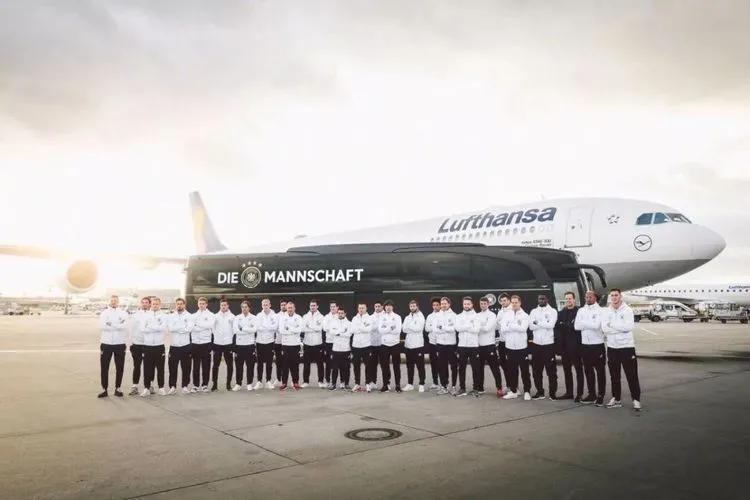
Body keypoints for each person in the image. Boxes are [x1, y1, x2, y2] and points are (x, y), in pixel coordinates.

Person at [602, 289, 642, 410]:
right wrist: (618, 328)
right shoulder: (607, 311)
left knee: (632, 375)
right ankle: (616, 399)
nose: (614, 297)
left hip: (626, 347)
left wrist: (612, 325)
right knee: (614, 376)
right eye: (612, 295)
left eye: (616, 295)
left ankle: (636, 400)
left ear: (620, 297)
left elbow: (628, 327)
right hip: (612, 348)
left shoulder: (627, 310)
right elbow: (604, 328)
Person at [574, 290, 606, 406]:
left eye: (590, 297)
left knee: (600, 372)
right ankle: (592, 394)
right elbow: (576, 326)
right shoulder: (581, 310)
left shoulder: (601, 310)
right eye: (586, 297)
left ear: (595, 298)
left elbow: (597, 326)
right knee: (588, 371)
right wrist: (589, 323)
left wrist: (584, 323)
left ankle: (601, 395)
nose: (588, 299)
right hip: (585, 345)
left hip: (597, 345)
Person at [501, 295, 532, 400]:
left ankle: (527, 391)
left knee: (524, 371)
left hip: (522, 347)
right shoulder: (507, 315)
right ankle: (514, 391)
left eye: (516, 302)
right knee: (512, 370)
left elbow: (523, 328)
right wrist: (515, 326)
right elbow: (503, 328)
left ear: (520, 303)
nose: (514, 304)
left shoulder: (525, 315)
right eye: (512, 302)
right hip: (510, 347)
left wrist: (510, 325)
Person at [98, 295, 128, 398]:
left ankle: (118, 388)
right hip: (106, 343)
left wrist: (110, 324)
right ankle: (104, 389)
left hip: (119, 343)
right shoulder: (104, 313)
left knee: (120, 367)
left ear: (118, 302)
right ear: (109, 302)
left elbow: (124, 326)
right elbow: (102, 326)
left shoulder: (123, 313)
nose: (113, 302)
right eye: (112, 300)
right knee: (104, 367)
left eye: (115, 300)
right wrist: (117, 325)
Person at [529, 294, 558, 400]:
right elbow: (531, 327)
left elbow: (551, 325)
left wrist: (537, 322)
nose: (541, 300)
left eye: (543, 299)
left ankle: (552, 393)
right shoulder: (533, 311)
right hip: (536, 345)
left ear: (547, 299)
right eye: (539, 299)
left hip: (548, 345)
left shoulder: (552, 311)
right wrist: (544, 323)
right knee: (536, 371)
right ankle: (540, 392)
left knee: (551, 371)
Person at [556, 291, 583, 401]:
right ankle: (569, 393)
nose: (568, 300)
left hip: (576, 346)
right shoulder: (562, 312)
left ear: (574, 299)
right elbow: (558, 326)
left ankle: (579, 394)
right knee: (567, 371)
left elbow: (576, 327)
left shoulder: (579, 311)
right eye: (566, 299)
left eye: (570, 298)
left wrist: (565, 325)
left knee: (578, 370)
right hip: (564, 346)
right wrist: (568, 325)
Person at [477, 296, 504, 398]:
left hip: (489, 346)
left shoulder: (492, 315)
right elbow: (476, 329)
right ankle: (480, 388)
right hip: (479, 346)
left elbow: (487, 328)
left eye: (485, 304)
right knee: (479, 369)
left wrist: (478, 326)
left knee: (495, 368)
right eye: (481, 304)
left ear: (488, 304)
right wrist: (481, 326)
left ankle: (499, 388)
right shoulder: (477, 315)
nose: (483, 305)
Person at [455, 296, 481, 397]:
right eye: (465, 304)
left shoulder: (476, 316)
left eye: (468, 304)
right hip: (462, 346)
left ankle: (476, 389)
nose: (466, 306)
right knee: (461, 368)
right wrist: (469, 326)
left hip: (473, 346)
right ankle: (462, 388)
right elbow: (457, 328)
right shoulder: (459, 316)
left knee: (475, 368)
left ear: (472, 304)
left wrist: (464, 327)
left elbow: (476, 330)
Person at [166, 298, 193, 395]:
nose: (179, 305)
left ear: (184, 305)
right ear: (175, 305)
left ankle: (185, 386)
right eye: (178, 304)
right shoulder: (171, 316)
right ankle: (172, 387)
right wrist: (182, 327)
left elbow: (189, 329)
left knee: (186, 368)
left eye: (181, 304)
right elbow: (170, 328)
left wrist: (177, 328)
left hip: (186, 346)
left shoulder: (189, 316)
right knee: (172, 368)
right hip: (174, 346)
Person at [141, 297, 166, 397]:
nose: (155, 305)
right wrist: (156, 327)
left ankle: (161, 388)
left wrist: (150, 326)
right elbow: (142, 329)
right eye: (153, 304)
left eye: (157, 304)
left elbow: (162, 328)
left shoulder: (164, 316)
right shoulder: (145, 315)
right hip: (147, 346)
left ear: (160, 305)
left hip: (159, 346)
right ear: (151, 304)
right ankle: (146, 388)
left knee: (160, 368)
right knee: (147, 368)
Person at [434, 296, 458, 395]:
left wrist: (442, 327)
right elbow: (435, 329)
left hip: (451, 344)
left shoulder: (454, 315)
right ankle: (444, 386)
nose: (443, 305)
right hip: (440, 344)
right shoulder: (437, 315)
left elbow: (454, 328)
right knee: (442, 366)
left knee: (453, 366)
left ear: (449, 304)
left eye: (445, 303)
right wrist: (446, 328)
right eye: (442, 303)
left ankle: (453, 386)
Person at [378, 300, 403, 393]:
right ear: (384, 307)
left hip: (395, 344)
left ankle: (398, 385)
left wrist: (386, 328)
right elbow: (380, 330)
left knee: (396, 366)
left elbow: (398, 330)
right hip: (384, 344)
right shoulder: (381, 317)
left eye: (390, 306)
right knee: (385, 366)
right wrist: (390, 327)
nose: (388, 307)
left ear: (392, 307)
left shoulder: (397, 317)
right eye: (386, 306)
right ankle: (385, 384)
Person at [191, 296, 215, 393]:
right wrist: (203, 326)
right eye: (200, 303)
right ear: (198, 304)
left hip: (206, 343)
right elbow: (191, 327)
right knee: (196, 367)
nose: (201, 305)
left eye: (203, 304)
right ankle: (195, 385)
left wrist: (197, 325)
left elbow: (210, 325)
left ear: (206, 304)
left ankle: (205, 385)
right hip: (195, 343)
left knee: (206, 366)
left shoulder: (211, 315)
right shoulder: (193, 316)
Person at [232, 300, 257, 391]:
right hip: (239, 345)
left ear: (249, 308)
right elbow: (235, 330)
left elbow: (254, 330)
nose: (244, 308)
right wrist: (247, 329)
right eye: (242, 307)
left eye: (246, 307)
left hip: (250, 345)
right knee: (239, 366)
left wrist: (242, 328)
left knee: (250, 366)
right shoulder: (237, 317)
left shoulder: (254, 317)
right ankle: (238, 384)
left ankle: (249, 384)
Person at [128, 296, 151, 395]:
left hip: (148, 344)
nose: (144, 304)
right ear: (141, 304)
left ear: (149, 304)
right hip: (137, 344)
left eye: (146, 302)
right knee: (137, 366)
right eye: (143, 302)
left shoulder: (152, 315)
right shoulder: (135, 315)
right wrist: (132, 342)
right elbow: (131, 329)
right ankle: (135, 386)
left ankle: (149, 386)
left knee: (149, 367)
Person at [278, 300, 303, 390]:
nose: (290, 309)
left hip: (295, 344)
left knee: (295, 365)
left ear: (294, 308)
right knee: (285, 365)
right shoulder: (282, 318)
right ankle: (284, 383)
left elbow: (299, 330)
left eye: (291, 308)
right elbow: (281, 331)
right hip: (285, 344)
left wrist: (288, 328)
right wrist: (293, 330)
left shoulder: (299, 317)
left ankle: (295, 382)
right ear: (286, 308)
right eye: (288, 308)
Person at [402, 299, 426, 393]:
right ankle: (410, 384)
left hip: (418, 345)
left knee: (420, 366)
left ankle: (421, 384)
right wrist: (412, 327)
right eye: (411, 306)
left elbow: (419, 328)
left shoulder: (421, 316)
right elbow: (403, 329)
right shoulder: (407, 317)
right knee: (409, 366)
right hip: (408, 345)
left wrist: (409, 327)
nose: (412, 308)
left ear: (417, 306)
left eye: (414, 306)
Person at [212, 298, 235, 391]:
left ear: (228, 306)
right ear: (220, 306)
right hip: (217, 344)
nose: (223, 306)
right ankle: (214, 385)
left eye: (225, 305)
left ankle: (228, 384)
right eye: (222, 305)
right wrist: (218, 336)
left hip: (228, 344)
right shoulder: (215, 316)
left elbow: (234, 330)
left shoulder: (232, 317)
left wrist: (228, 338)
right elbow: (212, 329)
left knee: (230, 365)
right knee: (215, 365)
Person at [350, 302, 374, 392]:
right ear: (358, 309)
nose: (361, 309)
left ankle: (368, 383)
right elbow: (352, 330)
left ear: (366, 308)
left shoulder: (369, 318)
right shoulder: (354, 318)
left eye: (363, 308)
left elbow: (368, 329)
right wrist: (362, 327)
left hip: (366, 345)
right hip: (356, 346)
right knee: (356, 366)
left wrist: (359, 327)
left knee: (368, 366)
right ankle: (357, 384)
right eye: (359, 308)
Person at [301, 299, 325, 388]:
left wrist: (309, 326)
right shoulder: (305, 316)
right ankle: (305, 381)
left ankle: (321, 381)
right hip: (307, 343)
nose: (312, 307)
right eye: (311, 305)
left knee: (320, 364)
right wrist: (314, 328)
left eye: (314, 305)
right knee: (306, 364)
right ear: (309, 306)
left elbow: (319, 328)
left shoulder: (321, 316)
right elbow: (303, 329)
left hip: (318, 344)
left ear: (317, 306)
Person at [255, 298, 278, 389]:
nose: (265, 306)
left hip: (270, 342)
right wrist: (268, 327)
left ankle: (268, 381)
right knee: (259, 363)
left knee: (269, 363)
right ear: (262, 306)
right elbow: (257, 327)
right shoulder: (258, 315)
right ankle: (259, 381)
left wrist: (264, 326)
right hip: (260, 342)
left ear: (270, 305)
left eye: (266, 304)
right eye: (263, 305)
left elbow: (275, 327)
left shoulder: (274, 315)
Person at [328, 308, 351, 390]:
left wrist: (338, 332)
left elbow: (349, 334)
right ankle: (333, 384)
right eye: (339, 313)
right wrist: (342, 331)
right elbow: (331, 332)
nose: (340, 314)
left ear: (345, 314)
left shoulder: (349, 323)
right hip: (336, 349)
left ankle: (345, 383)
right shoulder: (333, 322)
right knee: (334, 368)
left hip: (346, 349)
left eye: (342, 313)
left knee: (346, 368)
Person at [424, 297, 441, 390]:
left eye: (437, 305)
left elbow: (443, 328)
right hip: (432, 343)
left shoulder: (443, 315)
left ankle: (443, 383)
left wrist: (433, 327)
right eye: (434, 305)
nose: (435, 307)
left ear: (440, 305)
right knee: (433, 364)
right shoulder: (430, 316)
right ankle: (435, 382)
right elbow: (427, 328)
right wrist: (436, 327)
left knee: (441, 364)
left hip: (441, 343)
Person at [495, 293, 512, 385]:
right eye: (501, 301)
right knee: (503, 363)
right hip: (502, 341)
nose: (503, 302)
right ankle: (509, 385)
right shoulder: (500, 312)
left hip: (510, 341)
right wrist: (501, 324)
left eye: (504, 300)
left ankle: (514, 387)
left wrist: (502, 324)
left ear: (509, 300)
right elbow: (497, 326)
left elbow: (509, 326)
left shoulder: (513, 310)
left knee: (511, 365)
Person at [322, 301, 339, 385]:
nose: (332, 308)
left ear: (337, 307)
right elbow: (325, 328)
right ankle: (327, 381)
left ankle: (337, 382)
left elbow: (340, 328)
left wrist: (332, 328)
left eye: (334, 306)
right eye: (331, 307)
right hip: (329, 342)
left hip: (338, 342)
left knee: (337, 363)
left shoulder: (340, 316)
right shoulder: (326, 317)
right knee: (328, 363)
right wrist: (335, 329)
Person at [369, 300, 384, 389]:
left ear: (382, 307)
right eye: (376, 306)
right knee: (372, 365)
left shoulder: (385, 316)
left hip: (383, 344)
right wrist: (379, 326)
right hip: (373, 344)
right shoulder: (370, 317)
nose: (377, 308)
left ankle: (386, 383)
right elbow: (370, 328)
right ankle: (373, 382)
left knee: (384, 365)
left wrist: (377, 327)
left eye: (379, 306)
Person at [273, 299, 287, 386]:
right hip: (278, 342)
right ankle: (278, 379)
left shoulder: (290, 315)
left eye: (285, 305)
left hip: (288, 343)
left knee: (287, 362)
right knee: (278, 362)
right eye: (282, 305)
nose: (283, 306)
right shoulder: (276, 316)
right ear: (280, 306)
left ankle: (286, 380)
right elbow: (275, 328)